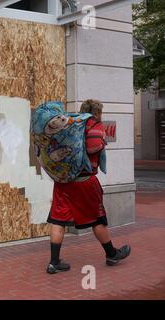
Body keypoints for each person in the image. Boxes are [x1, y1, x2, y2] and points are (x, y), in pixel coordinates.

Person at [46, 99, 131, 274]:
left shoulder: (70, 124)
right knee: (97, 218)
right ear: (97, 112)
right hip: (85, 181)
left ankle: (54, 262)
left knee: (58, 219)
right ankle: (111, 254)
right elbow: (93, 148)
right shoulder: (94, 125)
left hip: (63, 181)